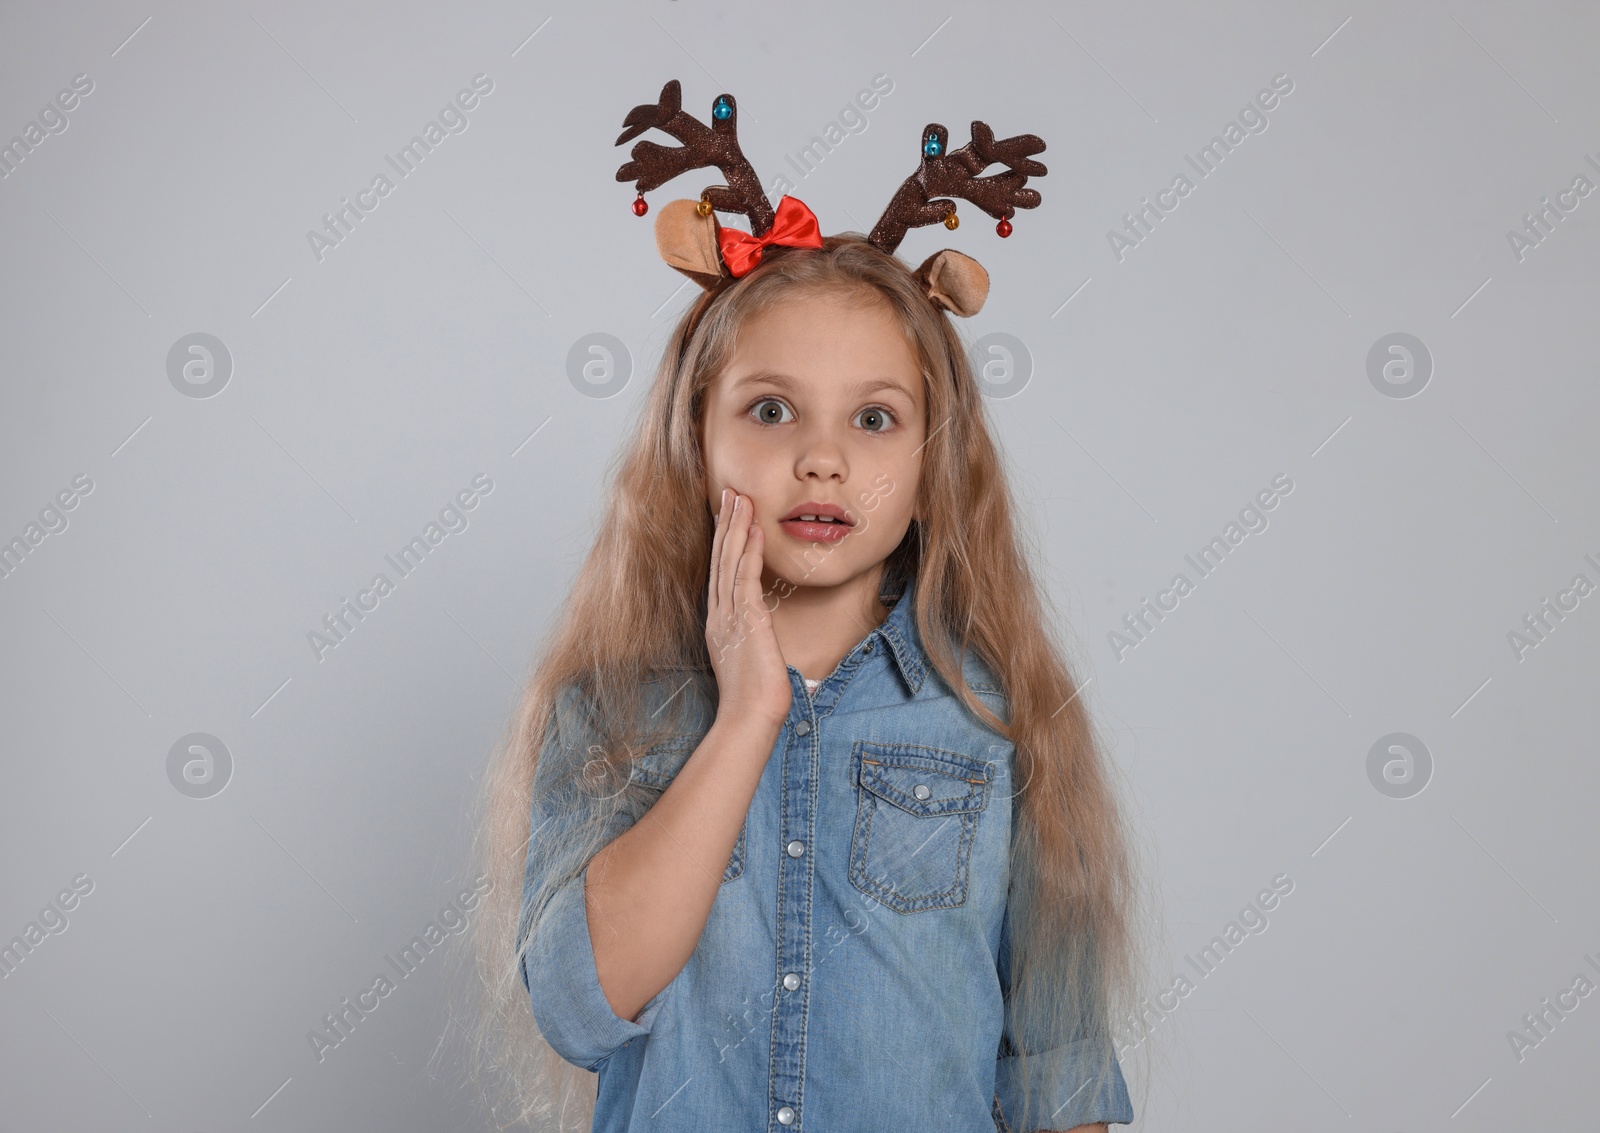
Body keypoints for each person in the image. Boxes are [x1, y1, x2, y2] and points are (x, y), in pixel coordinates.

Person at [469, 81, 1150, 1133]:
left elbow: (1056, 1069)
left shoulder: (991, 720)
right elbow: (579, 1002)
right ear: (697, 438)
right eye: (771, 408)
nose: (821, 456)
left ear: (933, 463)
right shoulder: (613, 708)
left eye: (875, 418)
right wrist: (745, 713)